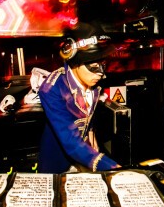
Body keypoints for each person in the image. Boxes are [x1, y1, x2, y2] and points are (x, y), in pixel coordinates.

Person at [37, 21, 122, 174]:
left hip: (84, 158)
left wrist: (91, 133)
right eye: (94, 67)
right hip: (57, 165)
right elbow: (71, 142)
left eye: (103, 65)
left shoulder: (93, 84)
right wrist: (111, 167)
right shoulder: (52, 89)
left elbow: (86, 114)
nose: (101, 74)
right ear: (75, 61)